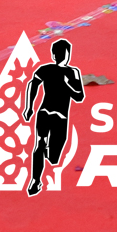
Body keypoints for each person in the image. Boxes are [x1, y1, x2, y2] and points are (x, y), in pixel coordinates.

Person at [20, 38, 83, 197]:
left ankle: (46, 156)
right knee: (40, 144)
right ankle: (35, 180)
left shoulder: (69, 72)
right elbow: (33, 85)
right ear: (57, 55)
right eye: (62, 53)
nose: (63, 56)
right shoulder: (49, 70)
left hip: (54, 115)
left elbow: (79, 96)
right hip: (49, 113)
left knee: (53, 156)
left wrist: (66, 85)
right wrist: (29, 107)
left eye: (64, 53)